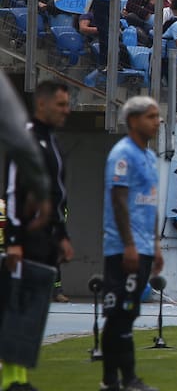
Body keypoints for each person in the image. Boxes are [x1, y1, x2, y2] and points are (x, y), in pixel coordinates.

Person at [1, 82, 74, 391]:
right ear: (41, 105)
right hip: (27, 238)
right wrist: (14, 240)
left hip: (44, 238)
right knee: (17, 311)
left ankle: (21, 377)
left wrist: (61, 235)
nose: (66, 110)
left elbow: (57, 195)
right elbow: (15, 191)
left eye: (67, 104)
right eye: (60, 104)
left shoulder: (51, 142)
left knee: (32, 311)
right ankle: (10, 379)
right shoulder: (28, 138)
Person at [100, 96, 163, 391]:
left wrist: (156, 244)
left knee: (129, 312)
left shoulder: (149, 157)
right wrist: (128, 244)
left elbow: (149, 202)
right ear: (134, 120)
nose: (158, 122)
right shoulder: (122, 154)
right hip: (125, 248)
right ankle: (125, 379)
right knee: (121, 313)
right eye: (152, 116)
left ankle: (112, 380)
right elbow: (119, 199)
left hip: (144, 247)